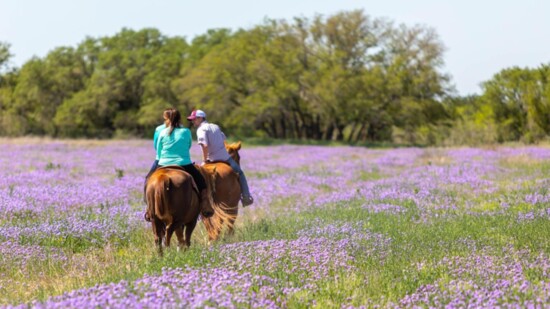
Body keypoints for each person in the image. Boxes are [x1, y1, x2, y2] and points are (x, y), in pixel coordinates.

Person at [146, 108, 214, 219]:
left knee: (148, 180)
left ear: (167, 118)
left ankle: (149, 209)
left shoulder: (162, 131)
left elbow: (158, 150)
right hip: (184, 163)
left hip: (163, 163)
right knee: (201, 181)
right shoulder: (186, 131)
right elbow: (188, 146)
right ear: (179, 119)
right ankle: (205, 205)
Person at [187, 109, 254, 207]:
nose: (193, 121)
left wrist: (204, 161)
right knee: (240, 172)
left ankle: (194, 203)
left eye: (194, 119)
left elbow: (204, 146)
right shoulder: (215, 126)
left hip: (211, 159)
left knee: (197, 179)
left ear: (201, 118)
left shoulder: (201, 129)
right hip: (225, 158)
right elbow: (223, 139)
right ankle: (246, 197)